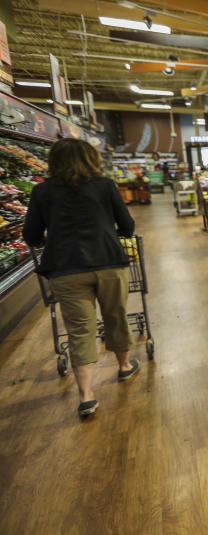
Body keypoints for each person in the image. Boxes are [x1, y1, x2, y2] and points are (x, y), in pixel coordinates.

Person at [23, 139, 138, 418]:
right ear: (91, 159)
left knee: (80, 329)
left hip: (65, 267)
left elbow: (31, 235)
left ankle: (86, 396)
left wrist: (46, 238)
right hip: (108, 262)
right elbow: (127, 225)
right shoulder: (105, 186)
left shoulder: (41, 191)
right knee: (115, 315)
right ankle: (124, 367)